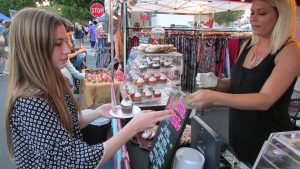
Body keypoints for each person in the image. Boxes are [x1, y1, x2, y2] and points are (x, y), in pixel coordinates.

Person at [5, 8, 173, 168]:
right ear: (34, 48)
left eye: (66, 41)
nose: (67, 49)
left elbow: (65, 124)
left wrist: (98, 112)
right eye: (58, 43)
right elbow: (76, 162)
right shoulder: (30, 102)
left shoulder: (52, 81)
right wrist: (133, 128)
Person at [183, 0, 300, 165]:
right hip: (239, 131)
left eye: (262, 13)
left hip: (269, 140)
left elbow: (265, 99)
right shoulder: (248, 45)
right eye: (252, 13)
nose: (253, 18)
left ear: (281, 17)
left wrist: (214, 97)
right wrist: (218, 83)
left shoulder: (290, 51)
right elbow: (237, 84)